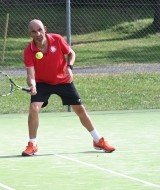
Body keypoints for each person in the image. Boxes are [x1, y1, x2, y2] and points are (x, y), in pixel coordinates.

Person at [22, 19, 115, 156]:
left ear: (45, 29)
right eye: (34, 31)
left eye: (40, 29)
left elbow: (71, 53)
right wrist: (33, 85)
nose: (38, 33)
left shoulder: (57, 39)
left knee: (80, 110)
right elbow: (30, 74)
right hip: (42, 83)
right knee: (33, 108)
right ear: (30, 34)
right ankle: (32, 145)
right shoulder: (29, 51)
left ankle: (98, 140)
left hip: (63, 80)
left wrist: (69, 67)